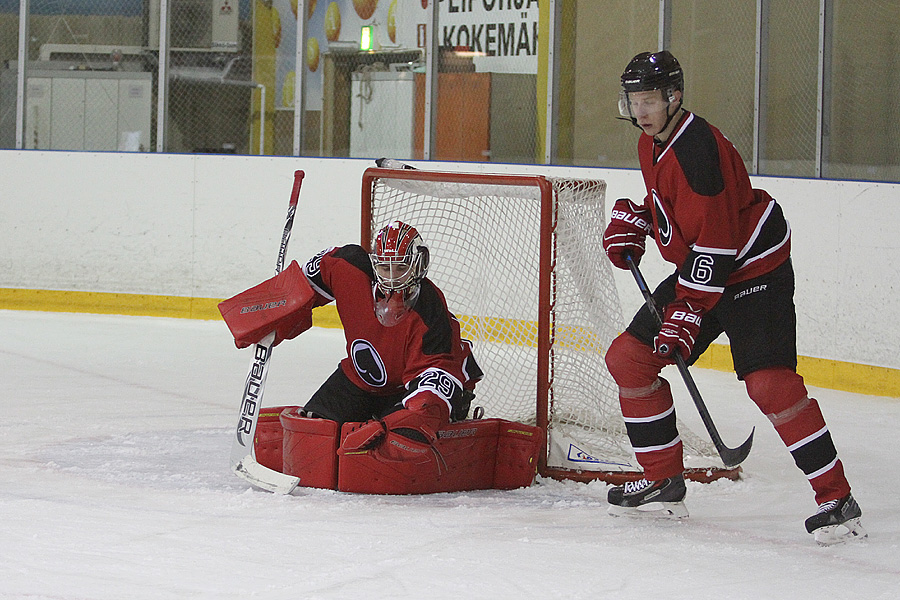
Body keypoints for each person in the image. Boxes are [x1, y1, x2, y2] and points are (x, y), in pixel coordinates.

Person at [601, 50, 865, 544]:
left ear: (673, 97)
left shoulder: (697, 147)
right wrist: (641, 219)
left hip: (751, 270)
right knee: (629, 360)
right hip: (707, 266)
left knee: (770, 384)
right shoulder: (651, 141)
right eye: (634, 101)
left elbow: (719, 238)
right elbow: (688, 216)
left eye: (649, 100)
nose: (640, 111)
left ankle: (836, 497)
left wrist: (689, 311)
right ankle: (662, 479)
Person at [300, 220, 483, 458]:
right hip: (360, 381)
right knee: (311, 432)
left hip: (409, 389)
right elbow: (300, 284)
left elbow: (436, 373)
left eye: (401, 267)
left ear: (418, 264)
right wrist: (270, 314)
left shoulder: (430, 307)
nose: (393, 277)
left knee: (392, 441)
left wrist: (408, 420)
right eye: (385, 268)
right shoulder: (350, 269)